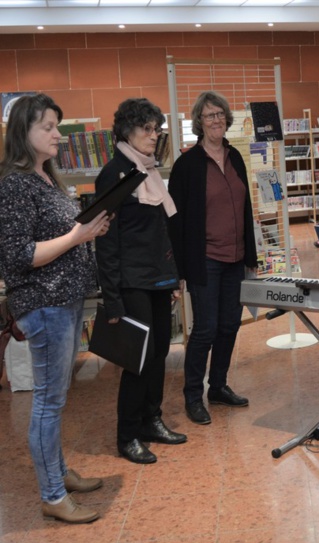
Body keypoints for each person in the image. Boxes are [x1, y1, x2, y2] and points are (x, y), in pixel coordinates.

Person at [0, 94, 110, 523]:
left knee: (56, 399)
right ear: (23, 131)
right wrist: (77, 236)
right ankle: (52, 494)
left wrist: (88, 231)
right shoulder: (14, 185)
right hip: (44, 304)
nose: (57, 134)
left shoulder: (46, 178)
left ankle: (59, 473)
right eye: (47, 127)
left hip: (63, 299)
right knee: (47, 402)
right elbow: (19, 255)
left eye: (56, 126)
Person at [95, 98, 186, 464]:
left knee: (161, 350)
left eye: (156, 129)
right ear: (126, 130)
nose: (153, 135)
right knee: (139, 358)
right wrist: (112, 298)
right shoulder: (114, 173)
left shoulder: (150, 171)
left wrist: (173, 277)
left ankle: (151, 420)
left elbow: (161, 231)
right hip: (131, 280)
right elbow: (106, 241)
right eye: (146, 129)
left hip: (158, 278)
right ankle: (128, 434)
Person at [168, 91, 258, 425]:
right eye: (209, 115)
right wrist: (178, 270)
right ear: (199, 122)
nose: (216, 120)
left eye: (220, 114)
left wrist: (251, 255)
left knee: (230, 325)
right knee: (205, 329)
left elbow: (246, 209)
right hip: (204, 259)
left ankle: (218, 386)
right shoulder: (187, 165)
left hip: (236, 259)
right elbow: (175, 222)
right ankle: (193, 395)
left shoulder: (235, 158)